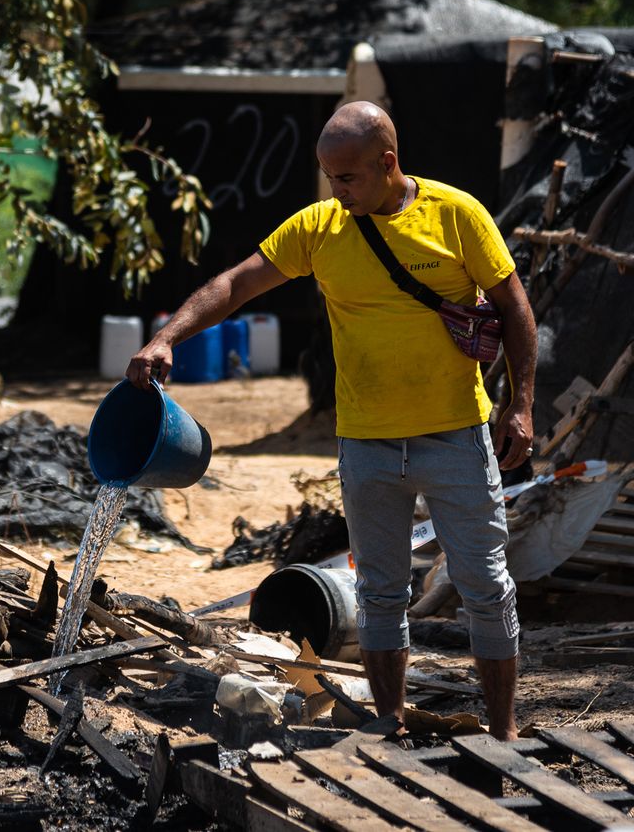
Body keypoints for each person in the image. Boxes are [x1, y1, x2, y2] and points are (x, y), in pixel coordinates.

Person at [126, 100, 536, 740]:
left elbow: (515, 308)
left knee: (486, 586)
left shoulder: (457, 215)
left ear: (388, 163)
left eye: (348, 179)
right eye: (328, 178)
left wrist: (522, 404)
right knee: (378, 594)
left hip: (456, 434)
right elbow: (236, 285)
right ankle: (391, 722)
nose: (336, 192)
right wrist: (167, 337)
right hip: (367, 443)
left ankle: (505, 733)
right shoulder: (320, 227)